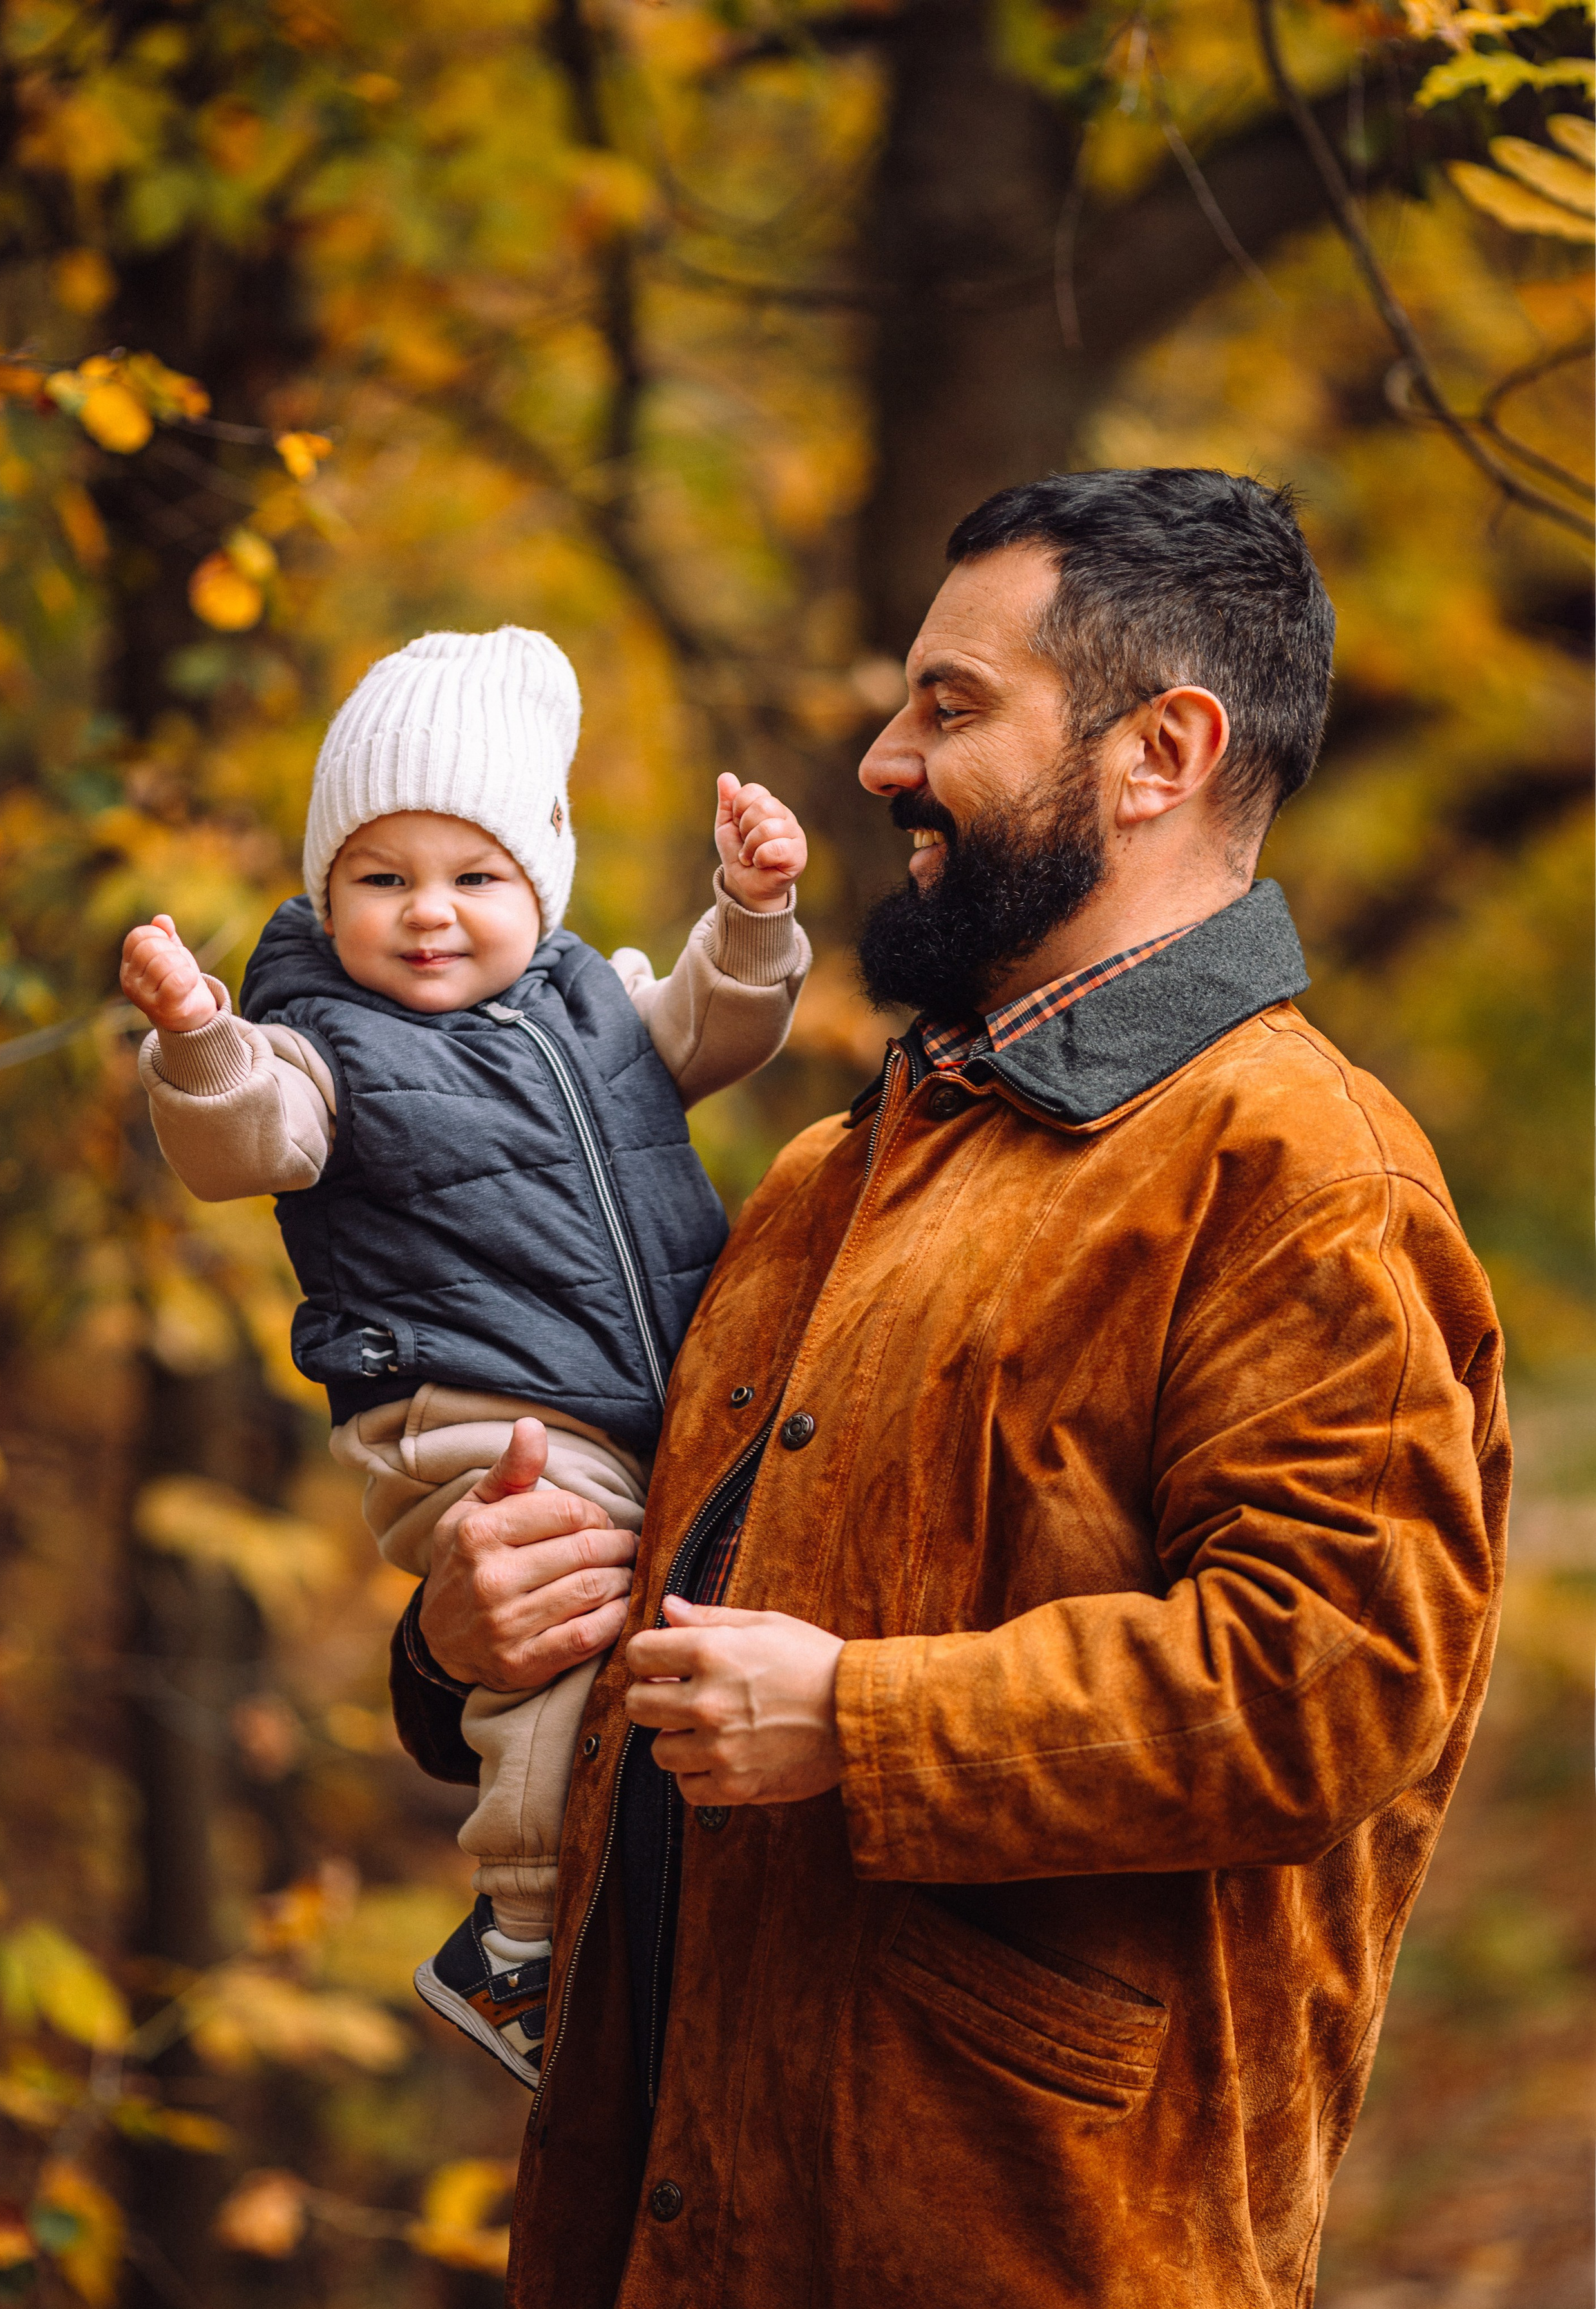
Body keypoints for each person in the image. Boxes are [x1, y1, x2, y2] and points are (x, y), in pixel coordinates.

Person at [391, 472, 1509, 2309]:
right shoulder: (832, 1174)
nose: (884, 762)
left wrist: (864, 1722)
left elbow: (1333, 1679)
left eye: (951, 705)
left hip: (1032, 2245)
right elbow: (663, 1633)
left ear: (1160, 754)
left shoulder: (1301, 1172)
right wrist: (457, 1645)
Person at [119, 625, 812, 2085]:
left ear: (537, 886)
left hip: (631, 1397)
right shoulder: (319, 1043)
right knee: (561, 1622)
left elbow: (715, 1030)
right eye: (382, 879)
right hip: (473, 1409)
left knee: (661, 1624)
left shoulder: (591, 1004)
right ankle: (520, 1929)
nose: (428, 913)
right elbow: (245, 1139)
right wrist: (196, 1041)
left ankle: (636, 1913)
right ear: (327, 893)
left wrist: (751, 916)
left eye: (473, 878)